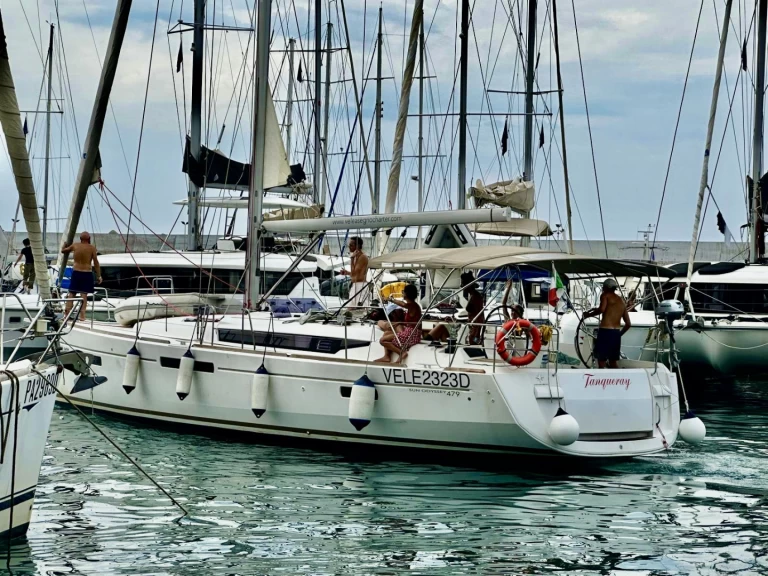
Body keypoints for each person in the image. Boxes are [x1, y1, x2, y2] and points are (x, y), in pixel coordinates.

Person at [583, 278, 631, 368]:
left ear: (606, 287)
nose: (602, 289)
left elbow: (601, 309)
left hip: (605, 332)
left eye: (603, 287)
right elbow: (628, 324)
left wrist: (588, 315)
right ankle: (617, 381)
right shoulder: (621, 301)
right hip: (616, 334)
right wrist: (619, 335)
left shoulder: (605, 295)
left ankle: (602, 381)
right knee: (613, 362)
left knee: (601, 362)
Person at [426, 272, 486, 345]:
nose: (461, 286)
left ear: (468, 284)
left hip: (474, 331)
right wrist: (456, 320)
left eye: (463, 283)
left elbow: (480, 317)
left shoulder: (476, 297)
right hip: (472, 329)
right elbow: (475, 314)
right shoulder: (473, 295)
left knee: (440, 327)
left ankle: (426, 344)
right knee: (441, 326)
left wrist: (476, 335)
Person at [375, 284, 422, 363]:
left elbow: (403, 304)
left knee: (382, 340)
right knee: (386, 333)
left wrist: (390, 299)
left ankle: (401, 353)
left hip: (412, 335)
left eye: (403, 292)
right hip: (410, 332)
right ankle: (387, 357)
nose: (402, 293)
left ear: (406, 294)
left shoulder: (413, 305)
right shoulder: (413, 305)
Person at [61, 232, 102, 321]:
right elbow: (96, 262)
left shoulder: (75, 245)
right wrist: (99, 276)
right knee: (84, 294)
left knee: (72, 293)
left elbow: (63, 251)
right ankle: (82, 315)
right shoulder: (92, 248)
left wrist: (64, 245)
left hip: (76, 272)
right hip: (86, 272)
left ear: (80, 238)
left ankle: (67, 313)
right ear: (89, 238)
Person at [340, 236, 369, 307]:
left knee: (360, 309)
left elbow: (354, 273)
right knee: (350, 309)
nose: (349, 247)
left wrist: (352, 259)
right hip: (355, 285)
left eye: (351, 245)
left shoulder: (362, 257)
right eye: (349, 245)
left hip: (360, 286)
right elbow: (355, 274)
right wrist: (347, 273)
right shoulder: (356, 256)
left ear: (358, 246)